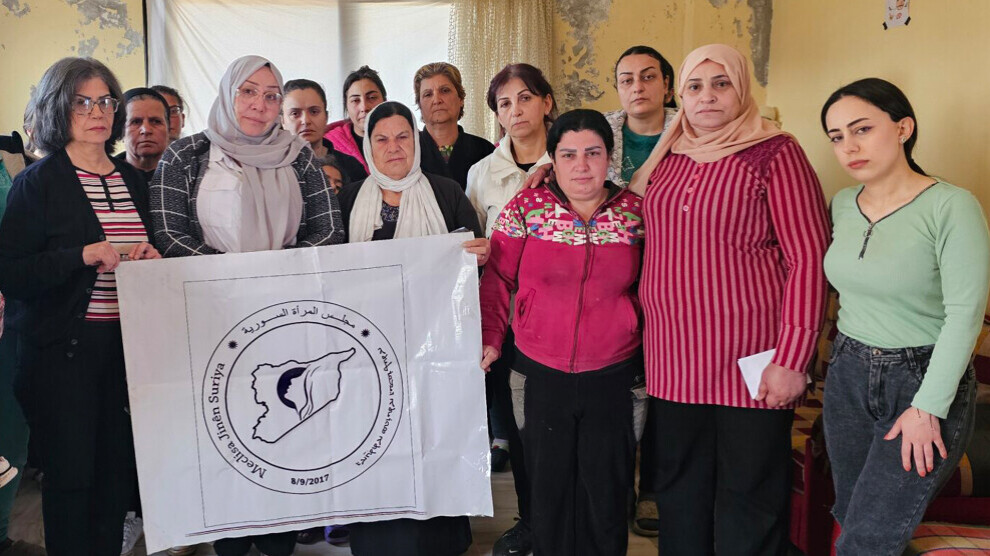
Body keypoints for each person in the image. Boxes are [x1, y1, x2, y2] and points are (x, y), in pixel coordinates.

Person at [627, 44, 830, 556]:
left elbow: (808, 258)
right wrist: (547, 174)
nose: (708, 97)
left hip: (752, 362)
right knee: (679, 491)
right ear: (681, 96)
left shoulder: (775, 153)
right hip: (673, 360)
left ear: (742, 89)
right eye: (695, 87)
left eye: (722, 84)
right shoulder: (669, 156)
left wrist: (793, 359)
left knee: (749, 495)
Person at [150, 54, 343, 556]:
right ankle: (229, 535)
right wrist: (236, 278)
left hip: (285, 315)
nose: (260, 104)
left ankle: (280, 534)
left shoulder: (299, 156)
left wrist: (277, 277)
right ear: (227, 93)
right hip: (210, 316)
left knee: (283, 419)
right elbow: (169, 233)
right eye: (248, 92)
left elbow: (328, 230)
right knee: (224, 426)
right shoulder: (186, 155)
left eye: (271, 95)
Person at [0, 56, 162, 556]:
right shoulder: (38, 182)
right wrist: (81, 255)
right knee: (72, 482)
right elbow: (13, 273)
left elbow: (148, 250)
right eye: (82, 102)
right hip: (61, 356)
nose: (97, 112)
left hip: (125, 352)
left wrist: (151, 258)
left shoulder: (133, 179)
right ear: (57, 108)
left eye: (106, 101)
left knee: (116, 479)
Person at [821, 78, 990, 555]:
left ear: (903, 128)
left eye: (862, 129)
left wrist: (927, 407)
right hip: (847, 374)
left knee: (870, 537)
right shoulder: (842, 204)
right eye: (836, 137)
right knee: (850, 517)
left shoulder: (951, 206)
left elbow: (965, 315)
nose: (849, 146)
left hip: (920, 379)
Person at [479, 108, 644, 556]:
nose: (582, 165)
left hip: (614, 374)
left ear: (609, 157)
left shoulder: (635, 214)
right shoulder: (526, 208)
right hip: (539, 372)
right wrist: (491, 337)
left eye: (593, 153)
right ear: (552, 160)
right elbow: (498, 278)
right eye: (568, 154)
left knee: (606, 494)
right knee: (548, 492)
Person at [336, 100, 487, 556]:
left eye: (403, 136)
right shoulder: (348, 200)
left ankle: (441, 539)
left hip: (434, 348)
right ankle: (377, 540)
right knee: (375, 440)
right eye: (381, 139)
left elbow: (473, 269)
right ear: (368, 146)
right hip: (367, 352)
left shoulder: (446, 192)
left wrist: (479, 255)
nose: (394, 146)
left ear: (416, 141)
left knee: (434, 437)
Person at [463, 61, 556, 556]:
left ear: (546, 102)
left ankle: (568, 518)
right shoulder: (482, 174)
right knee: (519, 428)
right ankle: (531, 518)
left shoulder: (573, 160)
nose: (515, 110)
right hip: (508, 317)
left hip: (562, 317)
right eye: (504, 103)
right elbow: (473, 247)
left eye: (524, 98)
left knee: (561, 423)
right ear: (496, 115)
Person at [607, 45, 679, 189]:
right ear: (617, 89)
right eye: (627, 80)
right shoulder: (598, 131)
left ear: (665, 84)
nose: (637, 88)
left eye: (648, 77)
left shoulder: (689, 129)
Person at [414, 62, 493, 189]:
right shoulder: (408, 151)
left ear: (461, 99)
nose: (437, 100)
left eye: (445, 91)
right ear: (419, 105)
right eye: (428, 94)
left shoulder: (485, 151)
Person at [281, 78, 367, 182]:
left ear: (326, 117)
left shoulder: (351, 167)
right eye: (295, 114)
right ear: (282, 121)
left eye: (314, 112)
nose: (306, 120)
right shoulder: (272, 167)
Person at [324, 65, 386, 173]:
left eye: (372, 98)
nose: (364, 107)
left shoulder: (407, 138)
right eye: (355, 100)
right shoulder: (327, 147)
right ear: (346, 106)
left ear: (384, 101)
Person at [115, 87, 171, 182]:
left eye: (156, 121)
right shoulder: (102, 177)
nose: (146, 130)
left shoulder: (188, 178)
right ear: (121, 131)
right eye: (136, 122)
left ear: (168, 129)